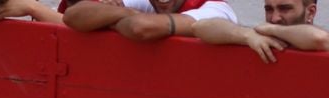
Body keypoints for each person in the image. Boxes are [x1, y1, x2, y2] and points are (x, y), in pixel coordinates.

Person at [62, 0, 242, 41]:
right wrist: (129, 12)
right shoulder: (145, 3)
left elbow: (141, 27)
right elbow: (73, 15)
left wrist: (111, 17)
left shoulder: (216, 9)